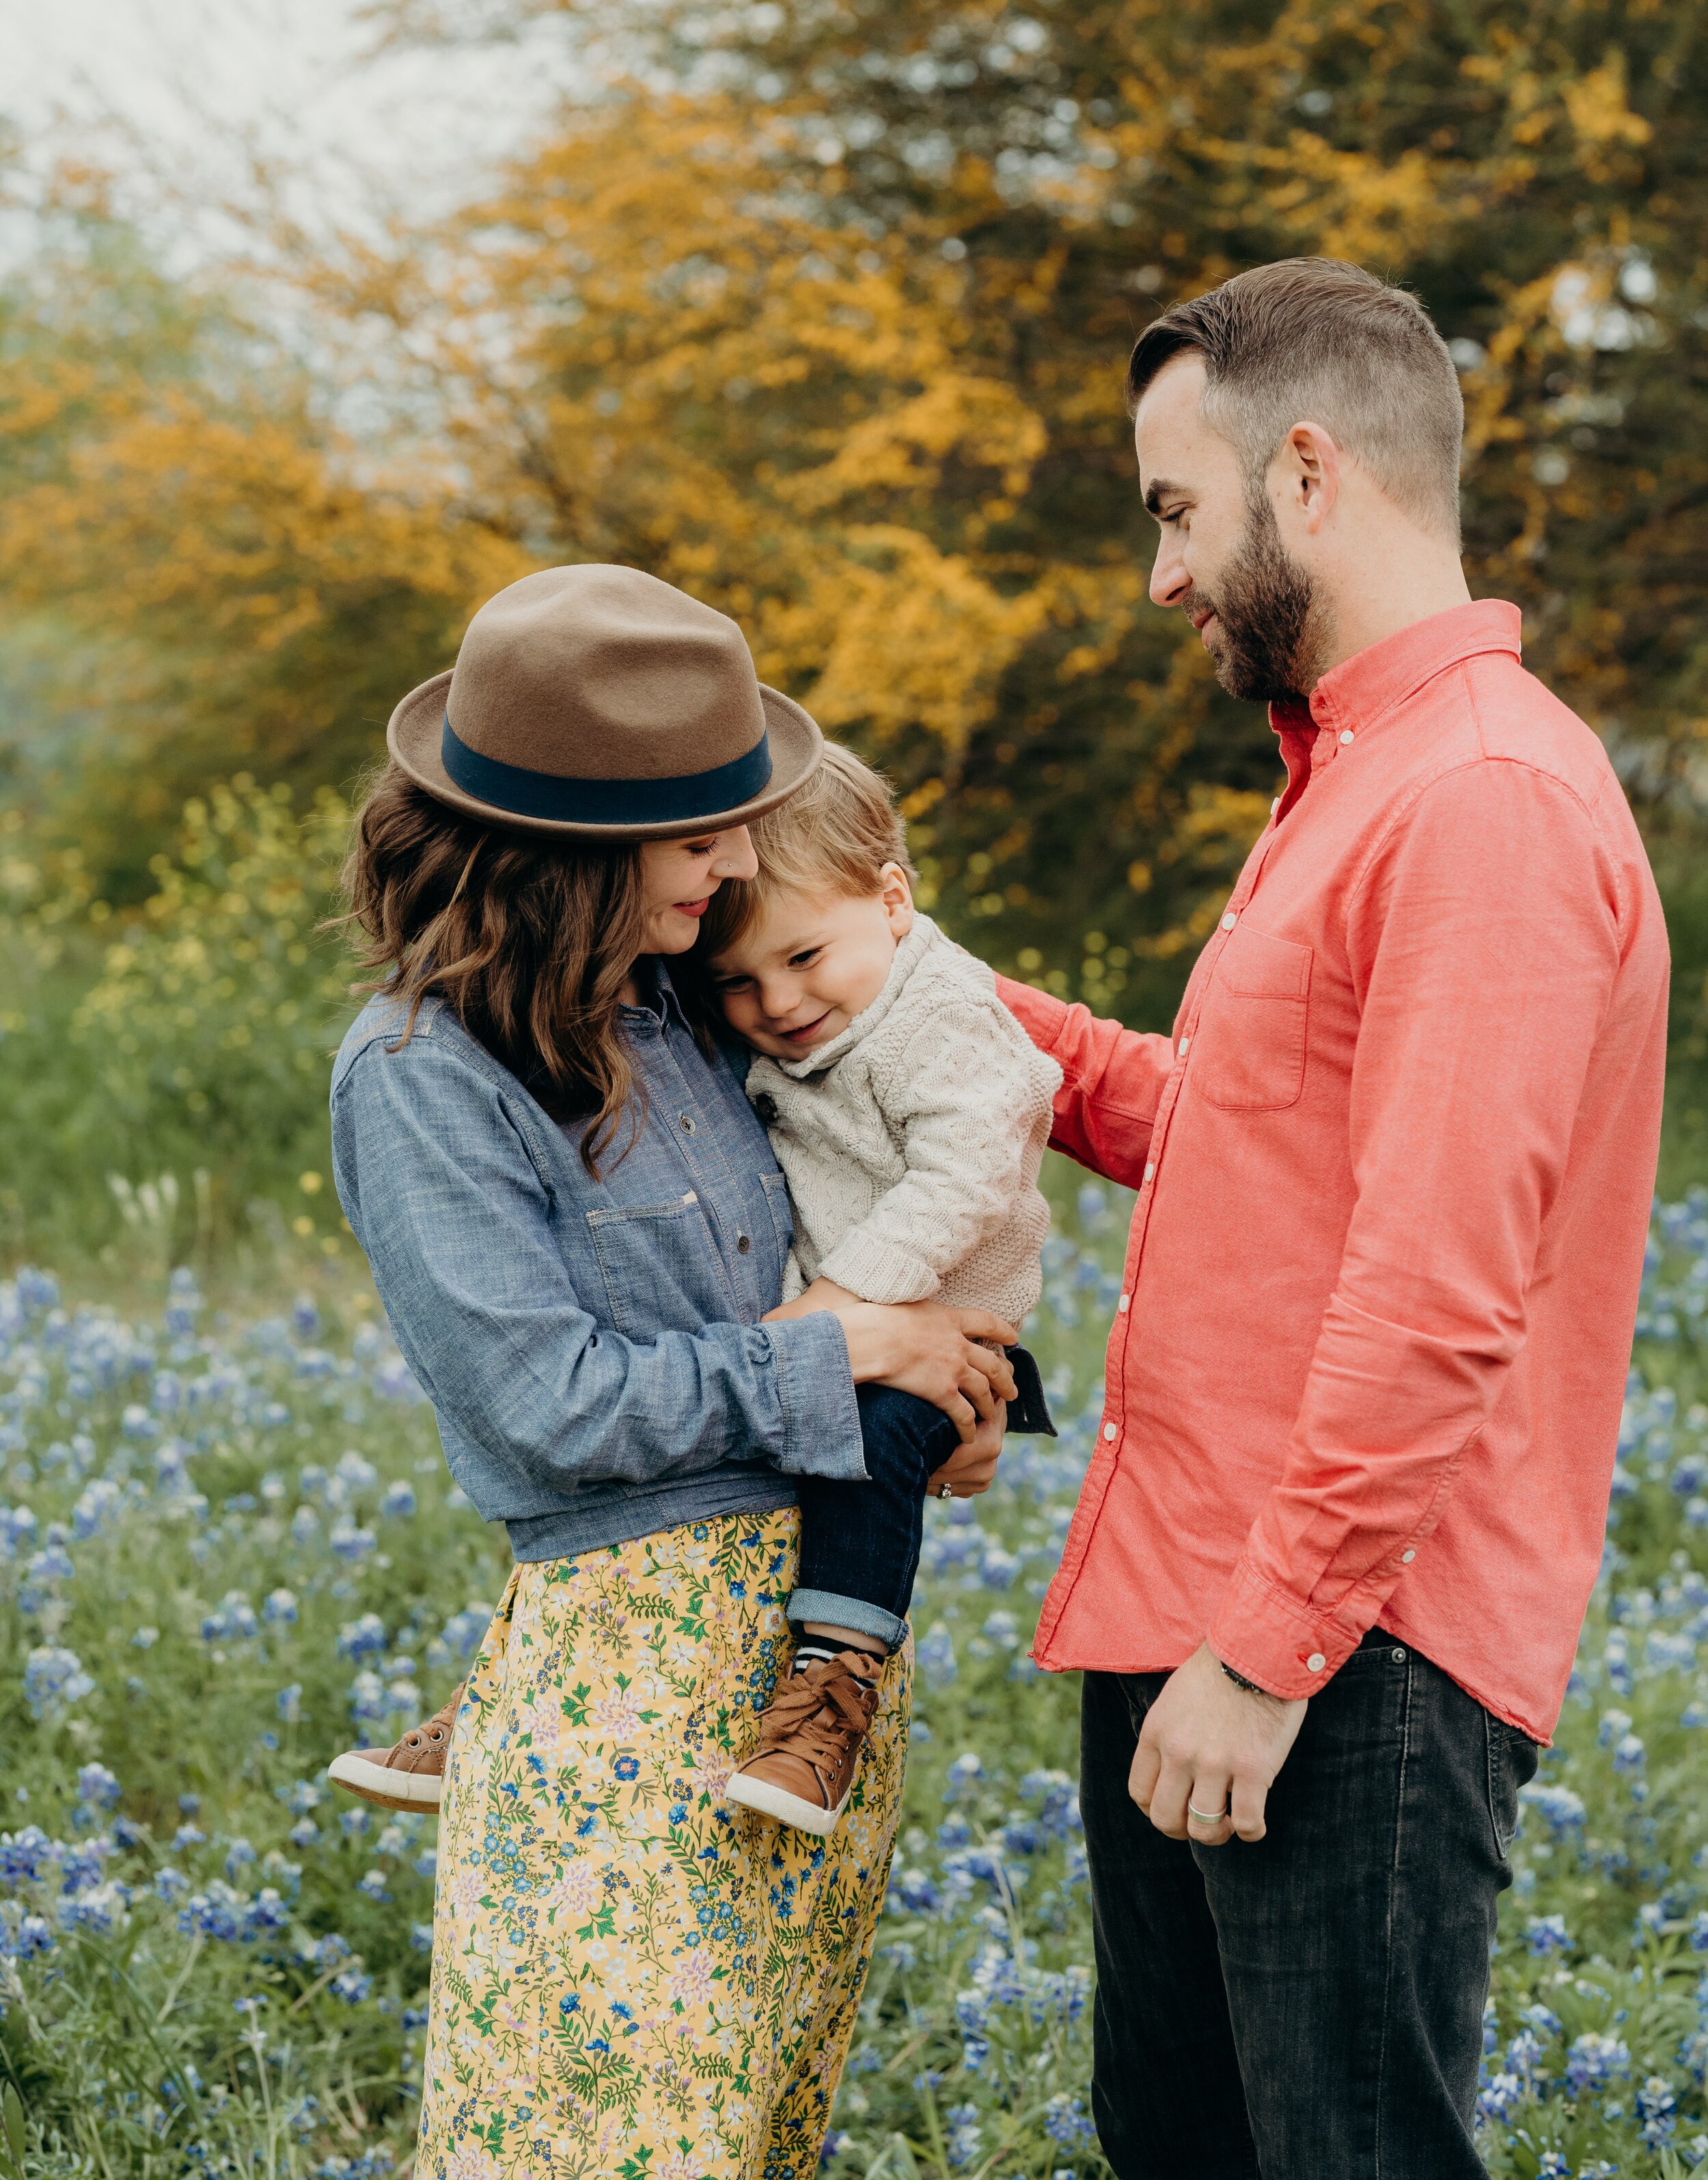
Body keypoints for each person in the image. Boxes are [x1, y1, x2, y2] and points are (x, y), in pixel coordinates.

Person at [993, 258, 1670, 2180]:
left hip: (1334, 1651)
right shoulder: (1353, 784)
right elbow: (1231, 1144)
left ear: (1303, 474)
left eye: (1171, 511)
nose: (1161, 576)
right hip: (1204, 1612)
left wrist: (1265, 1648)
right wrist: (922, 999)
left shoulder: (1477, 800)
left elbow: (1440, 1280)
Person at [325, 563, 1016, 2180]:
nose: (737, 858)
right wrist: (848, 1349)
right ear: (572, 846)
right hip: (620, 1682)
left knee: (753, 2139)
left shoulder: (703, 1005)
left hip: (815, 1677)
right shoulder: (422, 1073)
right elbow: (551, 1405)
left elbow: (915, 1122)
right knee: (595, 2145)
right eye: (702, 828)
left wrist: (935, 1401)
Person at [681, 742, 1061, 1834]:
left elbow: (968, 1174)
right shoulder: (822, 1010)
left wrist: (839, 1308)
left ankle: (834, 1690)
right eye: (740, 983)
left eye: (805, 956)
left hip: (946, 1333)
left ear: (892, 899)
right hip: (838, 1320)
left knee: (865, 1453)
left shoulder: (940, 1017)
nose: (780, 999)